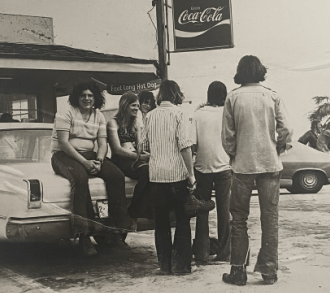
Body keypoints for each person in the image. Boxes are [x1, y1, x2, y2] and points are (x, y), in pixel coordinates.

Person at [221, 55, 292, 286]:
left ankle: (238, 271)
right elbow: (287, 129)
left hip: (243, 165)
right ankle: (269, 271)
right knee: (269, 218)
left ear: (240, 72)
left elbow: (228, 136)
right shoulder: (272, 96)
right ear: (261, 71)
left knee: (239, 217)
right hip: (270, 164)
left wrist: (234, 154)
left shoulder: (232, 97)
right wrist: (277, 147)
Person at [138, 80, 214, 275]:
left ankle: (164, 265)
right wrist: (190, 175)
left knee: (161, 222)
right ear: (176, 94)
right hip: (177, 175)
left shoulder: (149, 116)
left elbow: (143, 146)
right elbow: (185, 146)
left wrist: (157, 154)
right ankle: (182, 265)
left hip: (156, 176)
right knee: (182, 220)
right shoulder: (180, 114)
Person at [51, 81, 134, 257]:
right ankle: (83, 235)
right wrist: (84, 162)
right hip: (63, 156)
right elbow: (64, 143)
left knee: (116, 175)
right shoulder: (65, 113)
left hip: (90, 155)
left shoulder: (99, 116)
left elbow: (102, 144)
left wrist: (99, 160)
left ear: (96, 98)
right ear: (76, 98)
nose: (87, 99)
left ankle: (117, 231)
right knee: (80, 179)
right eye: (83, 95)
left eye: (90, 95)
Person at [191, 81, 232, 263]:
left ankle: (201, 253)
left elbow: (193, 143)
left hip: (202, 167)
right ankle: (225, 252)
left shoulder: (198, 114)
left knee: (202, 209)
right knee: (224, 210)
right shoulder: (227, 114)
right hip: (224, 166)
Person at [107, 91, 154, 220]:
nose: (136, 108)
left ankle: (140, 209)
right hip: (120, 159)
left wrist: (148, 155)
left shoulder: (135, 123)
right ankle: (134, 209)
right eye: (133, 105)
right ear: (125, 105)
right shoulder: (113, 123)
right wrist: (140, 157)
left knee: (155, 169)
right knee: (146, 170)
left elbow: (139, 146)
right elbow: (116, 149)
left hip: (133, 157)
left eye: (138, 106)